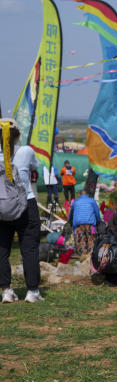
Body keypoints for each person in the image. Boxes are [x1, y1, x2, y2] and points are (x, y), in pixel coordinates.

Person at [0, 121, 43, 304]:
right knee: (30, 249)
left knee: (2, 250)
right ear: (17, 136)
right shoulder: (26, 151)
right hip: (27, 205)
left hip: (2, 207)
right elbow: (36, 166)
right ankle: (32, 291)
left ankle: (6, 291)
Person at [67, 184, 101, 256]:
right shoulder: (92, 201)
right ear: (87, 195)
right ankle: (92, 255)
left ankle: (83, 255)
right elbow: (97, 213)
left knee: (80, 241)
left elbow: (71, 215)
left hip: (78, 225)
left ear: (79, 195)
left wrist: (69, 221)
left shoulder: (75, 202)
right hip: (91, 225)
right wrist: (98, 222)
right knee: (91, 239)